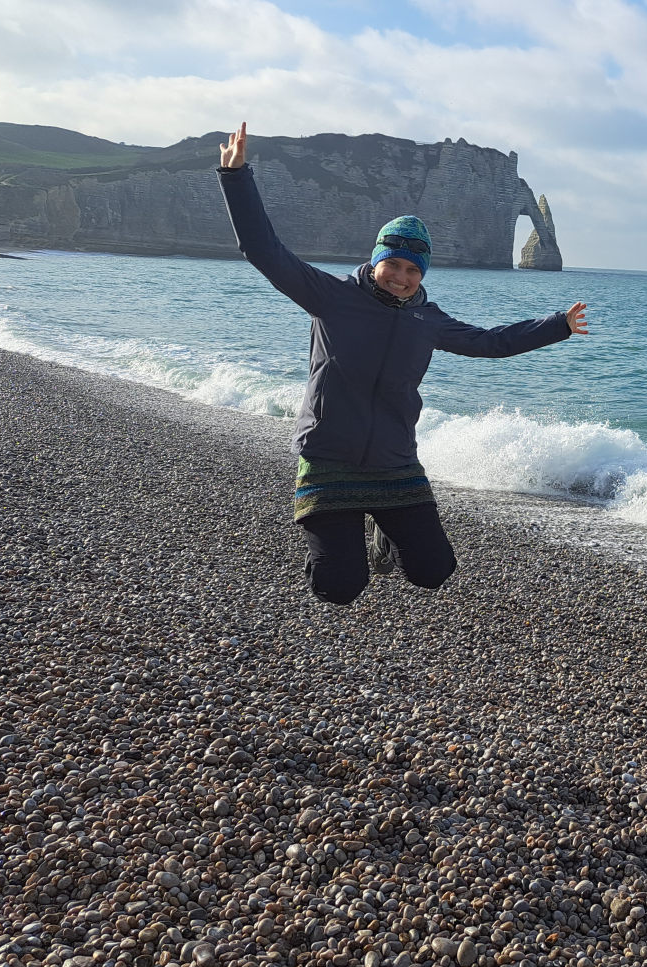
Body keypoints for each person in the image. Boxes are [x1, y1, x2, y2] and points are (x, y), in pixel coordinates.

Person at [216, 122, 588, 605]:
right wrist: (237, 177)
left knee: (434, 571)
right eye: (393, 263)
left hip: (395, 461)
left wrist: (557, 325)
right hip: (329, 457)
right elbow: (264, 250)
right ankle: (335, 551)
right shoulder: (330, 297)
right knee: (338, 586)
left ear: (423, 274)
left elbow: (491, 343)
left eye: (413, 269)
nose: (401, 276)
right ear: (376, 261)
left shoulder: (427, 320)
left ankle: (382, 535)